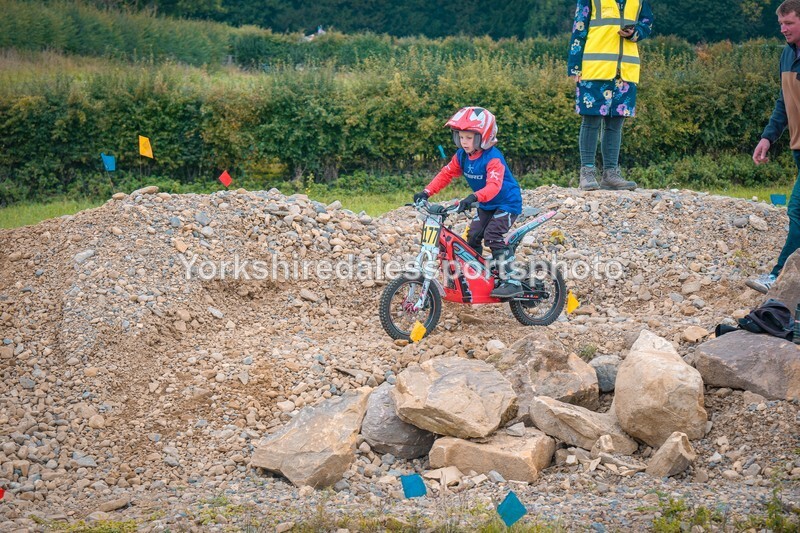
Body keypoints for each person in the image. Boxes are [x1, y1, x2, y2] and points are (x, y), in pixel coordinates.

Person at [412, 106, 524, 298]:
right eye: (461, 137)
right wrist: (426, 192)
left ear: (484, 137)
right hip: (486, 204)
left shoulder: (493, 157)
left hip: (507, 203)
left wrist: (472, 198)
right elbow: (446, 174)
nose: (464, 142)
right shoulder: (462, 156)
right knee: (472, 236)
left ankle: (512, 280)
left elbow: (494, 187)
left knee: (493, 235)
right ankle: (480, 276)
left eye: (469, 138)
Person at [567, 0, 654, 191]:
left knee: (615, 124)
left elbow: (647, 22)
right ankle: (587, 173)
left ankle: (610, 174)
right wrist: (574, 66)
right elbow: (579, 29)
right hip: (594, 69)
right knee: (591, 121)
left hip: (624, 71)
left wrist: (635, 32)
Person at [747, 0, 800, 294]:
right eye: (780, 24)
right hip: (797, 146)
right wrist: (768, 137)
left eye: (789, 23)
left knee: (797, 209)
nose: (783, 29)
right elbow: (784, 103)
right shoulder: (786, 56)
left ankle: (779, 276)